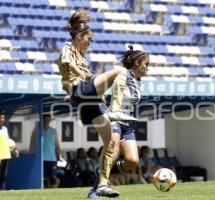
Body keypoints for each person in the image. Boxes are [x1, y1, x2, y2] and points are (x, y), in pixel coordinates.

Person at [56, 9, 122, 197]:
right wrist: (80, 79)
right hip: (81, 92)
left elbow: (70, 80)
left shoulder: (83, 57)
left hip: (89, 100)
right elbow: (68, 67)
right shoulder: (68, 48)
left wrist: (94, 92)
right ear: (78, 36)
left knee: (112, 144)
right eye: (88, 39)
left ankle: (98, 186)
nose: (90, 43)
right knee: (119, 72)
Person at [87, 45, 150, 198]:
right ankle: (99, 187)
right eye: (146, 64)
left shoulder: (138, 80)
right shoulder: (123, 75)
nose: (148, 68)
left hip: (127, 124)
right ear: (137, 63)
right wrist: (115, 110)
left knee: (132, 161)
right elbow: (117, 92)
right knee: (112, 150)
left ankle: (102, 171)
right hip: (115, 118)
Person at [30, 114, 62, 188]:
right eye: (45, 119)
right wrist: (31, 155)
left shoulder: (54, 131)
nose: (47, 121)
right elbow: (32, 144)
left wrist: (59, 155)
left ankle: (54, 191)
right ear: (42, 120)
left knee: (52, 178)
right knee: (43, 178)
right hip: (40, 158)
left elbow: (57, 144)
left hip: (52, 158)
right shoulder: (36, 130)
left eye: (48, 119)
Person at [0, 110, 19, 190]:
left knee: (4, 174)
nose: (1, 119)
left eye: (3, 118)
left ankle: (2, 189)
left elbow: (8, 141)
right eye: (0, 118)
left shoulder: (5, 129)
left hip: (6, 155)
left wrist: (14, 149)